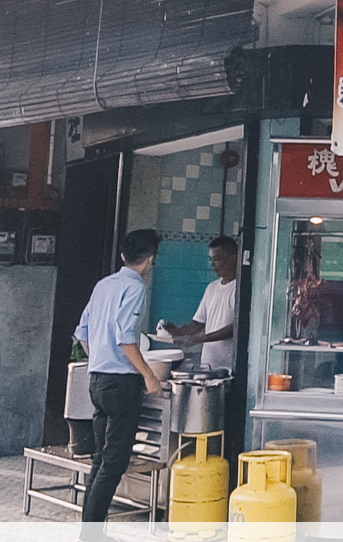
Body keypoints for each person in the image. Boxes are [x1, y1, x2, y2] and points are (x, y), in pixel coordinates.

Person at [74, 229, 162, 541]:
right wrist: (149, 376)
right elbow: (126, 338)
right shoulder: (135, 286)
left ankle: (90, 531)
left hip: (96, 380)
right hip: (121, 384)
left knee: (100, 459)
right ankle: (93, 535)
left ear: (124, 255)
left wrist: (101, 357)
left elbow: (82, 333)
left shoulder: (104, 285)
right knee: (114, 462)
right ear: (149, 259)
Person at [166, 235, 239, 373]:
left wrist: (199, 339)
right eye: (210, 259)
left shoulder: (240, 289)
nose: (212, 265)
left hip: (229, 366)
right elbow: (199, 323)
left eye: (217, 259)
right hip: (209, 364)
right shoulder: (212, 287)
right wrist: (179, 332)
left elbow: (234, 328)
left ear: (232, 258)